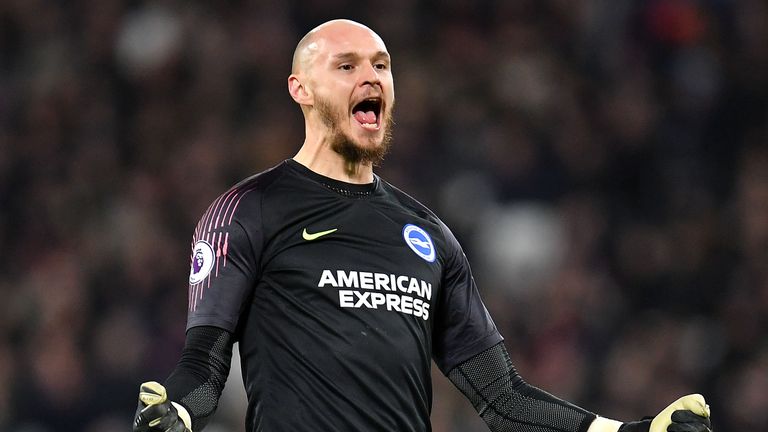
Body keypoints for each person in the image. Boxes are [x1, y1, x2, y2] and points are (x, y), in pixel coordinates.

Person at [132, 19, 713, 432]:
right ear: (300, 90)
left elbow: (504, 402)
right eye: (347, 65)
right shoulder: (249, 209)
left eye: (382, 66)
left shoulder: (428, 235)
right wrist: (175, 415)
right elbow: (204, 368)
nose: (373, 77)